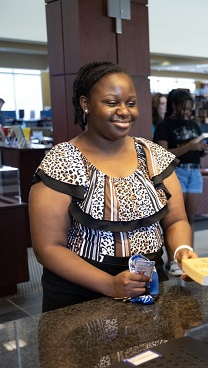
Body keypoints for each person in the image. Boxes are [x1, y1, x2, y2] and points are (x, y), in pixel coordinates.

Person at [29, 61, 198, 312]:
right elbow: (48, 247)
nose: (124, 111)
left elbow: (176, 221)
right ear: (85, 104)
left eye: (130, 103)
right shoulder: (62, 162)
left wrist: (182, 250)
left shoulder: (154, 157)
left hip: (147, 288)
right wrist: (109, 284)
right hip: (81, 296)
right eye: (111, 103)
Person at [153, 88, 208, 275]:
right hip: (176, 172)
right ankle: (172, 260)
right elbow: (163, 154)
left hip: (194, 172)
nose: (187, 113)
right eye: (184, 109)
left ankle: (187, 257)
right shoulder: (164, 126)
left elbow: (197, 147)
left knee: (190, 218)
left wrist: (202, 149)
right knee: (175, 219)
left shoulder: (193, 124)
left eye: (190, 109)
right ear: (174, 105)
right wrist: (190, 146)